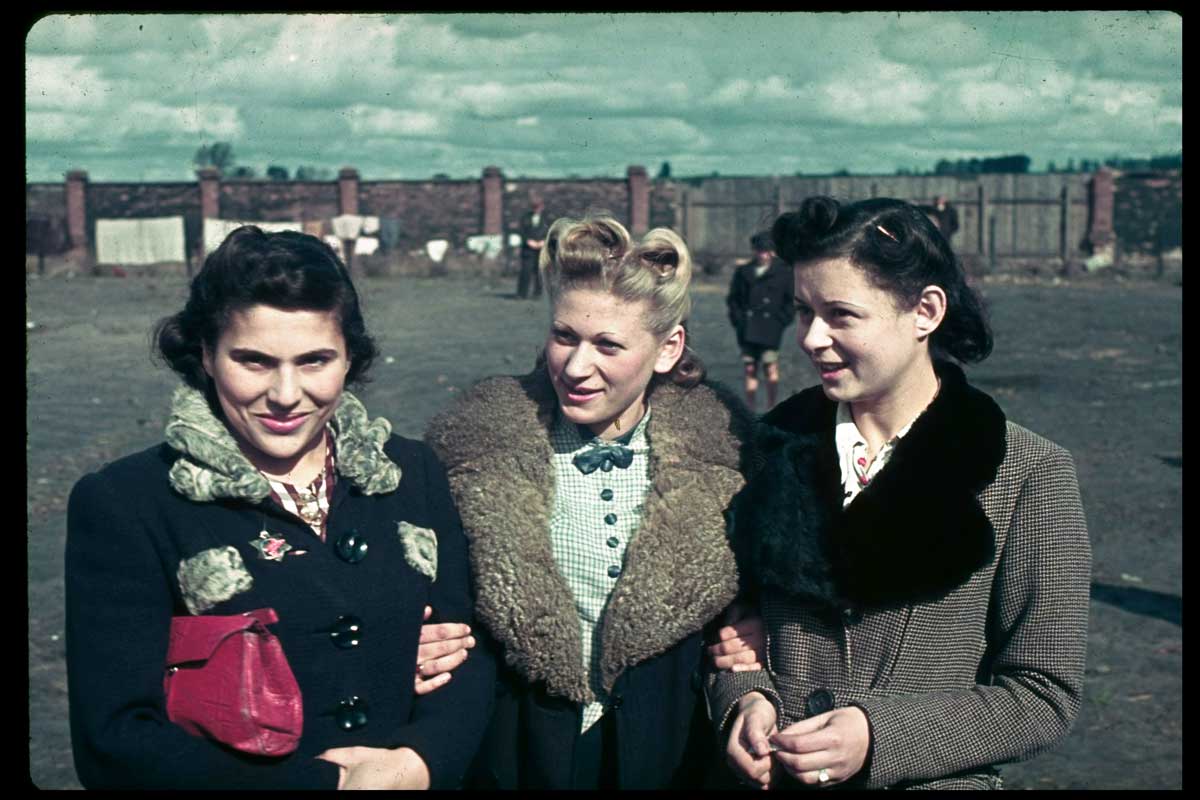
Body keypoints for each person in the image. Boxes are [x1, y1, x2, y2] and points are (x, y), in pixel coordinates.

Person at [64, 226, 495, 789]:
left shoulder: (413, 473)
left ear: (350, 358)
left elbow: (467, 653)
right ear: (206, 356)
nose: (286, 395)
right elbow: (115, 738)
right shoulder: (128, 502)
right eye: (255, 362)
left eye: (315, 361)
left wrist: (417, 764)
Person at [711, 196, 1091, 790]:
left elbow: (1045, 694)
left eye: (840, 314)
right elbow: (736, 629)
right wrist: (744, 699)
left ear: (925, 310)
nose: (811, 338)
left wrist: (877, 733)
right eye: (803, 311)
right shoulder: (763, 451)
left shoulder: (1028, 474)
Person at [426, 214, 759, 789]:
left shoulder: (734, 457)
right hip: (518, 752)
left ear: (667, 348)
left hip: (672, 751)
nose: (577, 367)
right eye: (564, 337)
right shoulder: (471, 448)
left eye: (608, 345)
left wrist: (758, 625)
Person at [726, 230, 795, 411]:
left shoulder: (784, 272)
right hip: (747, 329)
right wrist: (739, 321)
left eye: (767, 250)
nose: (763, 254)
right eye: (760, 250)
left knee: (770, 367)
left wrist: (780, 321)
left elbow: (791, 301)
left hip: (770, 329)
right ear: (754, 251)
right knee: (750, 369)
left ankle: (772, 407)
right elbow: (734, 300)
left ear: (772, 251)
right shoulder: (743, 272)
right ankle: (751, 409)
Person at [516, 193, 550, 299]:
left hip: (542, 248)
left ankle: (537, 294)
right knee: (525, 271)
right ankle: (521, 294)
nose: (536, 209)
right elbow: (521, 231)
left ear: (542, 206)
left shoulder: (547, 217)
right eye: (534, 207)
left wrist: (544, 241)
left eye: (538, 206)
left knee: (539, 272)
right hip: (528, 249)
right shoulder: (525, 217)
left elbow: (551, 231)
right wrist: (528, 241)